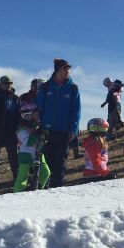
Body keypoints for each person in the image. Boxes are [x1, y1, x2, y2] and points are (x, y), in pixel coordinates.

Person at [36, 58, 81, 188]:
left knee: (60, 163)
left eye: (68, 69)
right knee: (47, 163)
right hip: (47, 131)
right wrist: (38, 125)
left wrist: (73, 130)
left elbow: (76, 111)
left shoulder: (73, 88)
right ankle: (46, 188)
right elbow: (39, 108)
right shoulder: (45, 87)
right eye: (65, 68)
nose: (68, 71)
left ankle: (56, 190)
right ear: (57, 70)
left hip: (64, 132)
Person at [13, 102, 50, 191]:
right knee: (23, 177)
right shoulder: (22, 129)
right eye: (36, 115)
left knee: (45, 172)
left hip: (38, 153)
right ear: (27, 116)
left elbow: (43, 138)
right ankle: (17, 193)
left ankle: (38, 189)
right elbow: (28, 142)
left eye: (38, 115)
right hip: (25, 154)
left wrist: (45, 134)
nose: (38, 117)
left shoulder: (38, 126)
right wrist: (38, 134)